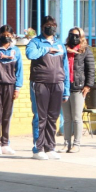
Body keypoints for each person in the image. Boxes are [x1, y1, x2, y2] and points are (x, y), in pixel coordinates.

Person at [26, 16, 70, 160]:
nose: (50, 27)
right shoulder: (35, 42)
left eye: (53, 25)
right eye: (47, 25)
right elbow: (30, 54)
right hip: (40, 82)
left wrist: (66, 89)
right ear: (42, 26)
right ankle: (38, 149)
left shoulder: (60, 45)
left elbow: (65, 67)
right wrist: (46, 49)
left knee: (53, 116)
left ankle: (50, 147)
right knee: (41, 116)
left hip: (57, 83)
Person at [0, 26, 23, 155]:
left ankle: (5, 143)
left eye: (8, 34)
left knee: (7, 115)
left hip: (10, 85)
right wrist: (0, 54)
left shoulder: (16, 51)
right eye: (3, 34)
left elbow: (19, 70)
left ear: (12, 36)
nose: (6, 37)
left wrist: (17, 88)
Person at [62, 27, 94, 153]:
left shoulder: (85, 50)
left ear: (81, 37)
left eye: (76, 35)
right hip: (64, 87)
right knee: (67, 118)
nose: (73, 37)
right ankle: (66, 143)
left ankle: (76, 144)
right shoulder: (63, 49)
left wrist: (88, 85)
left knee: (76, 117)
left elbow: (91, 70)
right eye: (71, 35)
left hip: (78, 88)